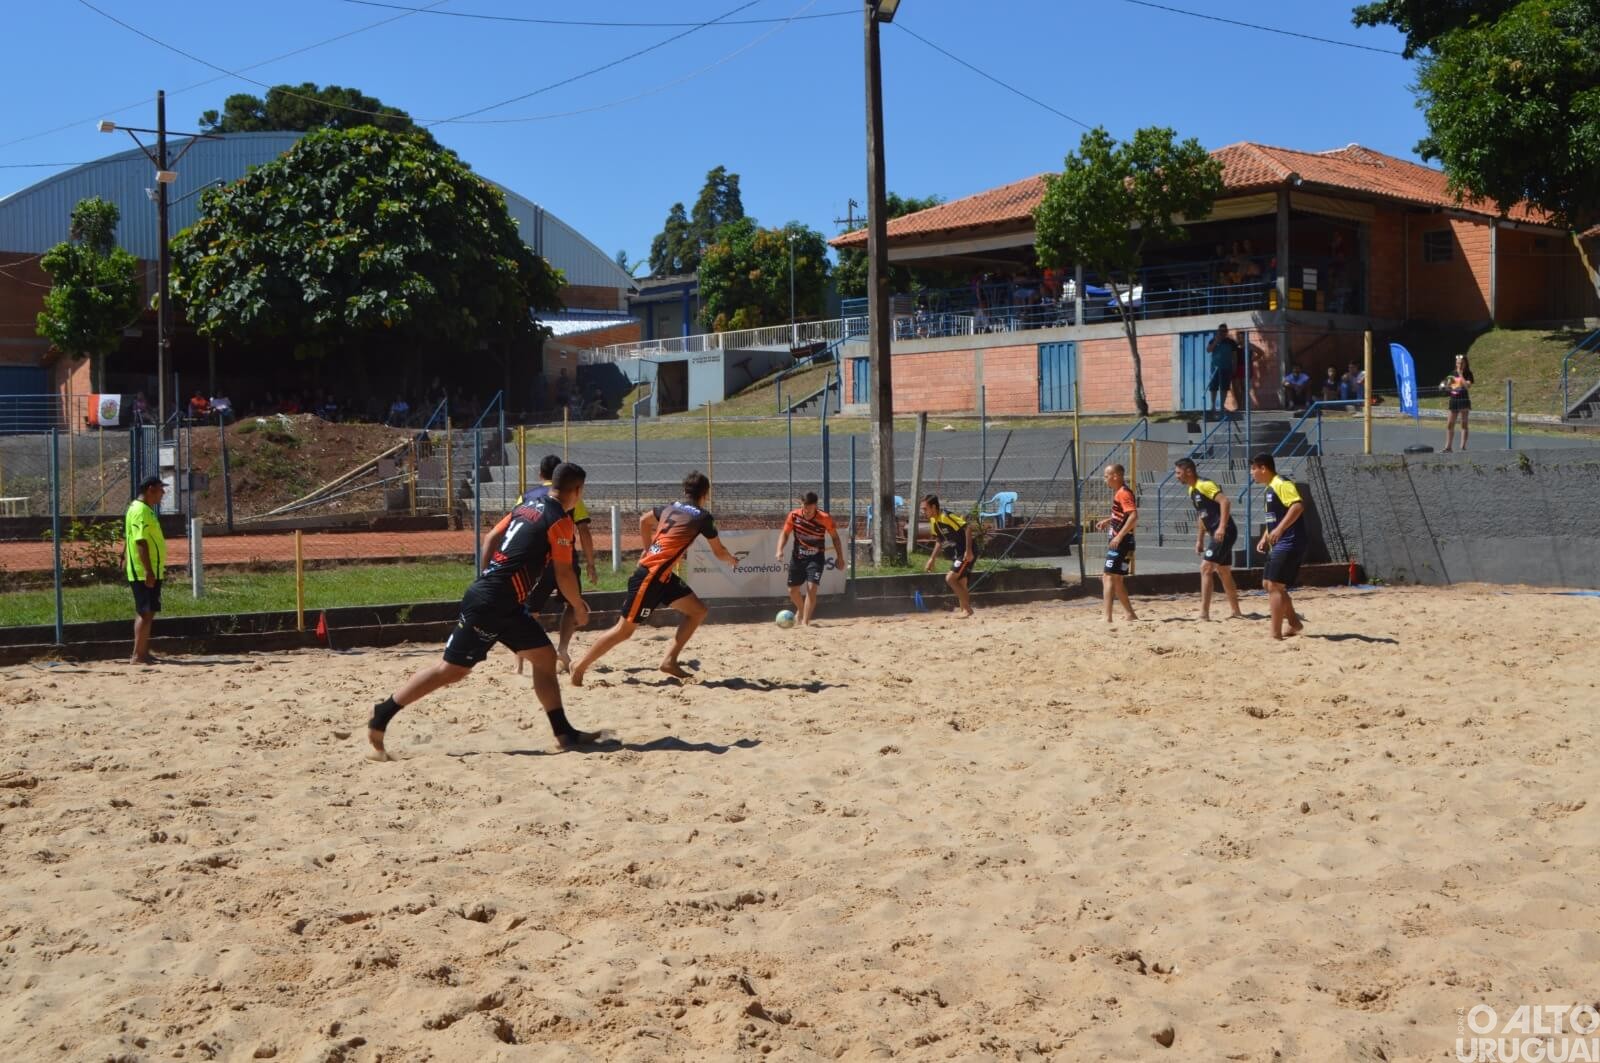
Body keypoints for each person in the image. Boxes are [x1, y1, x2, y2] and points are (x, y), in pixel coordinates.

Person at [365, 462, 605, 759]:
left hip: (504, 603)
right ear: (578, 490)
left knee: (544, 659)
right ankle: (382, 714)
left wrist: (487, 577)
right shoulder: (561, 520)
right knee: (451, 671)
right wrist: (579, 606)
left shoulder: (529, 502)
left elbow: (491, 538)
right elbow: (565, 573)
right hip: (493, 603)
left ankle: (564, 733)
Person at [572, 471, 739, 686]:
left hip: (663, 575)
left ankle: (669, 661)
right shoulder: (702, 516)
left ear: (684, 491)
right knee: (624, 631)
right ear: (705, 493)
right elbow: (719, 551)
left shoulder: (670, 506)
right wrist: (731, 560)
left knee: (697, 611)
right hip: (650, 576)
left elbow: (643, 520)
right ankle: (580, 665)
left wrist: (648, 548)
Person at [487, 454, 599, 673]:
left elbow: (511, 527)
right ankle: (563, 649)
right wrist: (591, 563)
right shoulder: (570, 496)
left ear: (540, 474)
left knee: (529, 609)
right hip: (564, 557)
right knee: (571, 604)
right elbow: (584, 530)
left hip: (535, 561)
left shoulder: (526, 496)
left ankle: (518, 662)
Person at [1173, 458, 1242, 621]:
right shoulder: (1192, 490)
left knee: (1205, 568)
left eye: (1178, 473)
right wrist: (1200, 540)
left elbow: (1225, 501)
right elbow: (1202, 516)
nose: (1176, 476)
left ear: (1188, 471)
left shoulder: (1204, 484)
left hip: (1224, 531)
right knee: (1224, 572)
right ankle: (1236, 611)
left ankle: (1204, 614)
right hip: (1215, 532)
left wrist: (1222, 527)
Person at [1250, 453, 1307, 640]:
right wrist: (1265, 536)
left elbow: (1297, 506)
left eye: (1253, 469)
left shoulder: (1282, 483)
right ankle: (1294, 623)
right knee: (1268, 584)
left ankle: (1275, 634)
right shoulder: (1269, 488)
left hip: (1290, 541)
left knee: (1275, 585)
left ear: (1263, 468)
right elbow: (1276, 519)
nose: (1252, 473)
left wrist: (1280, 530)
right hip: (1279, 542)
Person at [776, 491, 844, 626]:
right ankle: (801, 610)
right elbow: (785, 533)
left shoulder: (824, 518)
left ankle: (806, 622)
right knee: (792, 590)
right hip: (798, 557)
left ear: (815, 506)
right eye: (803, 507)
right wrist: (779, 550)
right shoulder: (794, 515)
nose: (806, 510)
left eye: (809, 507)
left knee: (811, 588)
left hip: (816, 558)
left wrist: (840, 557)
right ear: (800, 504)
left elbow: (835, 538)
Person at [124, 476, 167, 665]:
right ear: (150, 489)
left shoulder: (143, 509)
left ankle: (142, 652)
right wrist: (148, 571)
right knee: (145, 611)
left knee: (147, 611)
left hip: (150, 569)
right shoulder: (140, 511)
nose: (163, 493)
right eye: (160, 489)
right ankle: (138, 655)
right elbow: (140, 542)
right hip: (144, 571)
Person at [1094, 465, 1139, 623]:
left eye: (1106, 476)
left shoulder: (1123, 493)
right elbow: (1124, 515)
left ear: (1115, 476)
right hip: (1126, 542)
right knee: (1118, 579)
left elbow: (1133, 516)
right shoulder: (1121, 492)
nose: (1104, 478)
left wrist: (1118, 536)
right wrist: (1109, 520)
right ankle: (1130, 614)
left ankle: (1107, 617)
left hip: (1122, 543)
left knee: (1107, 577)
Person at [920, 494, 976, 618]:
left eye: (925, 509)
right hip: (958, 553)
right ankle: (964, 611)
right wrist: (931, 559)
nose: (923, 512)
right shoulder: (934, 521)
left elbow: (967, 528)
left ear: (933, 507)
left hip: (965, 552)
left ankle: (967, 609)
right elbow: (939, 540)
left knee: (950, 578)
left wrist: (969, 551)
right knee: (961, 582)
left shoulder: (946, 516)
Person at [1443, 353, 1475, 452]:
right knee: (1449, 424)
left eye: (1461, 363)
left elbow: (1467, 386)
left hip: (1463, 400)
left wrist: (1461, 375)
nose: (1459, 365)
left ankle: (1463, 446)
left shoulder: (1468, 374)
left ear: (1465, 364)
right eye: (1458, 363)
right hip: (1454, 400)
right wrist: (1446, 386)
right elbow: (1448, 387)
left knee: (1464, 424)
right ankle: (1448, 447)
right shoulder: (1452, 373)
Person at [1206, 324, 1239, 413]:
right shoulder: (1213, 340)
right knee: (1213, 387)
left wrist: (1234, 367)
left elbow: (1234, 356)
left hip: (1226, 368)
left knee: (1224, 388)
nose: (1222, 332)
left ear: (1227, 332)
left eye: (1224, 331)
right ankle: (1213, 406)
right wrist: (1216, 342)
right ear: (1218, 331)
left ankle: (1221, 406)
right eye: (1220, 331)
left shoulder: (1231, 342)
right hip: (1215, 369)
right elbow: (1208, 350)